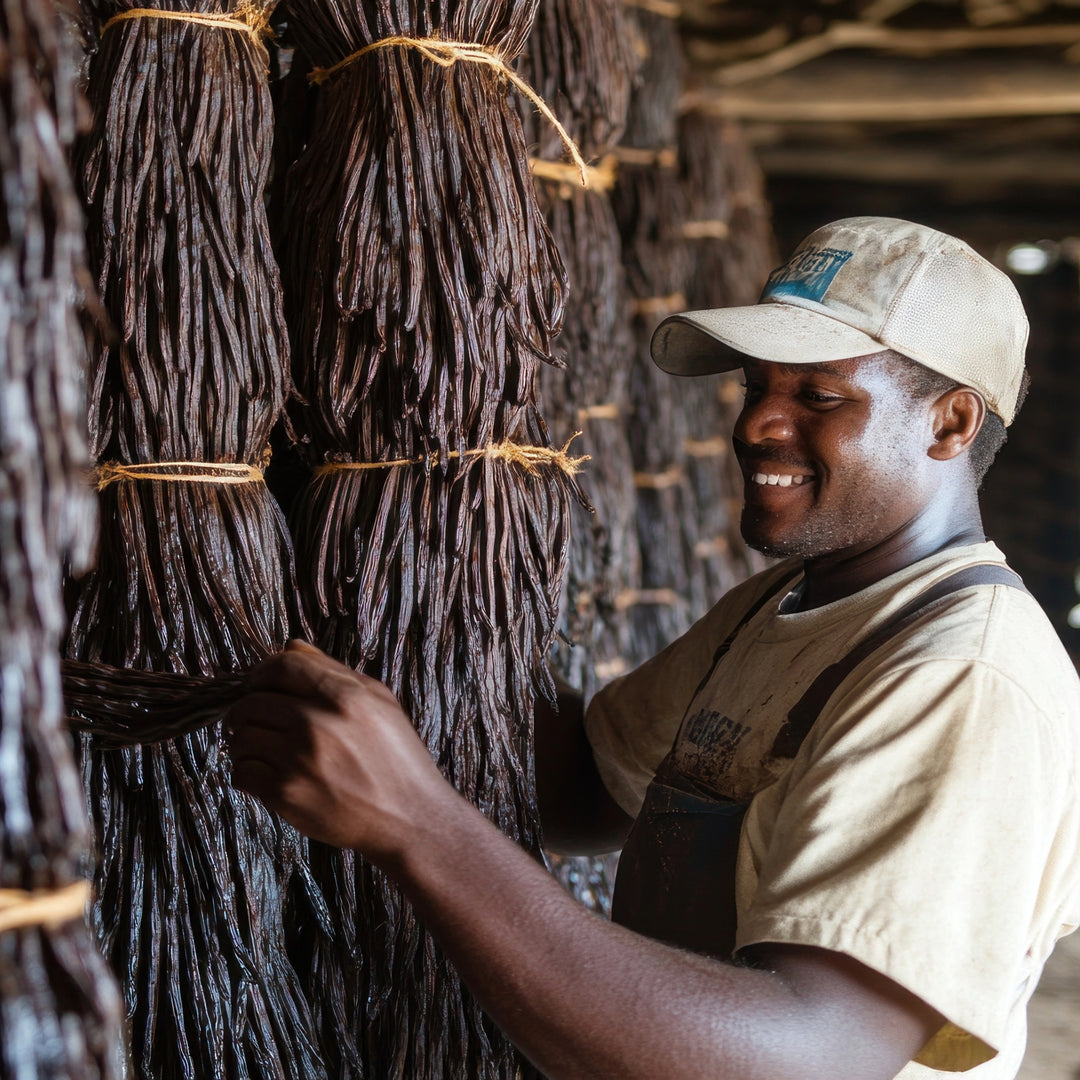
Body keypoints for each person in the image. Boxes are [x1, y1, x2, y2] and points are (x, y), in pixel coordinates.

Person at [227, 217, 1080, 1079]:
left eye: (818, 397)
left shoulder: (962, 679)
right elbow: (589, 790)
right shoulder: (790, 607)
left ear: (951, 422)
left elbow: (818, 1053)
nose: (756, 427)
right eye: (757, 388)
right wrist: (412, 585)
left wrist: (418, 828)